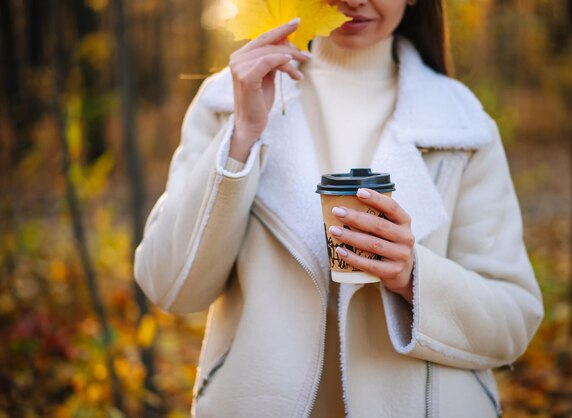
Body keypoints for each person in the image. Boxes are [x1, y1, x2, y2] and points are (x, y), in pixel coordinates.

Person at [134, 0, 544, 416]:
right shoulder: (229, 100)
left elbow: (513, 320)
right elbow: (169, 285)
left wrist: (414, 277)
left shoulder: (463, 127)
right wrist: (242, 138)